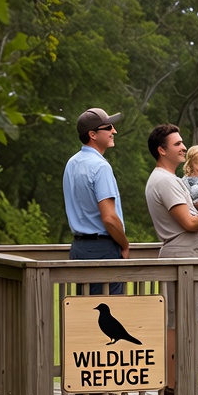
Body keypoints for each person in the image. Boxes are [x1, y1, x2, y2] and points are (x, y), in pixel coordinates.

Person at [144, 125, 198, 395]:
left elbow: (188, 215)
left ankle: (181, 384)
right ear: (162, 150)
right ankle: (173, 388)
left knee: (191, 322)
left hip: (187, 255)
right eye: (177, 144)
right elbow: (187, 223)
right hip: (181, 256)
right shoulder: (164, 180)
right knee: (177, 325)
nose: (183, 148)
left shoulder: (170, 180)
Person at [63, 107, 130, 295]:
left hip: (78, 249)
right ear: (92, 134)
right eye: (108, 127)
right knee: (108, 314)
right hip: (103, 249)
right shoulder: (101, 167)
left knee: (85, 314)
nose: (114, 131)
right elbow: (109, 218)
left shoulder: (72, 163)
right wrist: (124, 245)